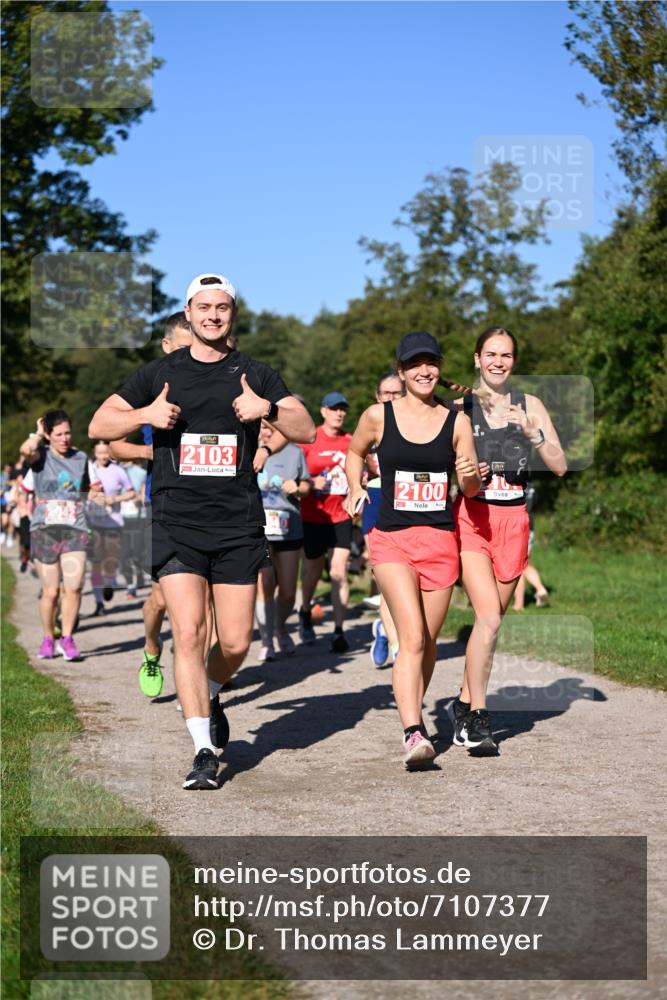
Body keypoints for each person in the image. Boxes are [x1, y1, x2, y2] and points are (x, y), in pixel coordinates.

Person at [89, 271, 316, 790]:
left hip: (237, 522)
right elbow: (101, 425)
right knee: (188, 632)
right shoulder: (159, 372)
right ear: (188, 313)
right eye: (203, 307)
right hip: (176, 521)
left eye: (222, 308)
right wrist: (145, 412)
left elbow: (304, 427)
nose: (213, 315)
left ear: (232, 315)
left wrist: (269, 409)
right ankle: (203, 750)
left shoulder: (253, 372)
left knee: (235, 641)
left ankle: (211, 694)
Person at [345, 332, 481, 769]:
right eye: (415, 364)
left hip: (441, 541)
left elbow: (471, 487)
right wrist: (354, 486)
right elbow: (354, 451)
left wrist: (471, 474)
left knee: (428, 645)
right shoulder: (377, 415)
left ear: (439, 367)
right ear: (401, 371)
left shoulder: (456, 421)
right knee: (412, 638)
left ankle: (413, 712)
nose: (424, 371)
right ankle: (413, 731)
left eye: (431, 363)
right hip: (391, 540)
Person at [449, 327, 567, 755]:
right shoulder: (458, 409)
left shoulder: (530, 405)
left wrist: (532, 433)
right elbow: (445, 473)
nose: (499, 361)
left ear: (513, 361)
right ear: (476, 358)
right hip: (473, 520)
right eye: (491, 354)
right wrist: (467, 477)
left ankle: (461, 704)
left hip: (514, 519)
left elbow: (558, 465)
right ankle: (478, 718)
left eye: (507, 355)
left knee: (489, 623)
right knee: (491, 620)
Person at [109, 312, 194, 696]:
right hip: (162, 507)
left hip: (209, 508)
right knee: (161, 599)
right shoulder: (151, 389)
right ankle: (151, 646)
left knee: (201, 601)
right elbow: (113, 442)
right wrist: (150, 450)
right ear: (166, 347)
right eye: (183, 348)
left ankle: (194, 676)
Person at [19, 410, 93, 661]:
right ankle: (48, 637)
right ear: (49, 435)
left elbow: (84, 487)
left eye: (68, 433)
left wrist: (94, 496)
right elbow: (26, 450)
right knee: (51, 592)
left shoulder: (81, 456)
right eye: (58, 434)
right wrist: (37, 434)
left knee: (74, 587)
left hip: (75, 527)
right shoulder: (40, 456)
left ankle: (68, 639)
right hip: (45, 530)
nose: (64, 438)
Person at [298, 391, 354, 653]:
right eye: (334, 409)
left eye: (342, 409)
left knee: (338, 572)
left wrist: (359, 484)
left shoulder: (351, 441)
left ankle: (338, 631)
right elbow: (296, 477)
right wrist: (310, 482)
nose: (339, 413)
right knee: (312, 572)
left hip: (341, 515)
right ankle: (305, 610)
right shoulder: (310, 439)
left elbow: (359, 471)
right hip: (313, 516)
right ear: (323, 411)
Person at [256, 420, 311, 660]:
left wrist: (298, 487)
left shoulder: (294, 452)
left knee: (288, 592)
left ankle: (279, 628)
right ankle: (266, 641)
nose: (266, 431)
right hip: (260, 529)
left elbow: (307, 485)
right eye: (262, 427)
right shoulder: (248, 449)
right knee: (265, 584)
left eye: (271, 427)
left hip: (289, 527)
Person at [360, 371, 404, 667]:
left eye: (396, 393)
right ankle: (393, 638)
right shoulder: (371, 423)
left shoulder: (418, 424)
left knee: (405, 574)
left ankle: (384, 629)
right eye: (385, 393)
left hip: (407, 500)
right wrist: (357, 482)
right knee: (384, 572)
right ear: (378, 397)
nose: (390, 398)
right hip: (376, 498)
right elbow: (354, 455)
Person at [87, 441, 136, 615]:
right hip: (93, 522)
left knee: (110, 561)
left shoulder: (118, 470)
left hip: (114, 522)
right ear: (94, 452)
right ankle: (99, 602)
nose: (103, 456)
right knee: (95, 562)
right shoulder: (90, 470)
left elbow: (132, 492)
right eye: (99, 453)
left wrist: (115, 499)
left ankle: (108, 583)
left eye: (106, 452)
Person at [512, 482, 550, 610]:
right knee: (524, 563)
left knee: (518, 566)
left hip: (515, 526)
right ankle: (540, 589)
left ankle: (519, 604)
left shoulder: (511, 482)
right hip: (530, 527)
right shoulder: (532, 487)